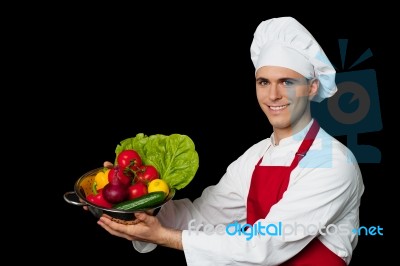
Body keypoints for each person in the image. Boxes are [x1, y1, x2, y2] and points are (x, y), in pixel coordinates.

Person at [95, 17, 364, 265]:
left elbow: (267, 244)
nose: (273, 95)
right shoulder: (256, 156)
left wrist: (164, 236)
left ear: (312, 87)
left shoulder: (332, 162)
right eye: (263, 82)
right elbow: (201, 217)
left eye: (287, 82)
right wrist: (134, 206)